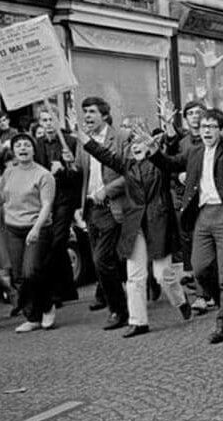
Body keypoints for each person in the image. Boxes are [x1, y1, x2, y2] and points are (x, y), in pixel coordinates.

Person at [148, 100, 223, 344]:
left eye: (212, 126)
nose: (207, 130)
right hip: (202, 216)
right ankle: (222, 302)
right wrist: (152, 151)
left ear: (220, 130)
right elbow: (171, 164)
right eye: (204, 126)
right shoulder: (194, 152)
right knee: (200, 268)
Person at [78, 120, 191, 337]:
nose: (135, 146)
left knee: (162, 275)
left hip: (158, 224)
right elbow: (103, 154)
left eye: (140, 142)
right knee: (135, 276)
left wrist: (157, 146)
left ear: (149, 146)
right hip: (135, 225)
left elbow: (171, 161)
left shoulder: (160, 163)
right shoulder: (127, 165)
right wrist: (83, 136)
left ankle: (180, 299)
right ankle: (138, 321)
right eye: (132, 143)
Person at [71, 97, 129, 330]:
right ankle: (127, 294)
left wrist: (107, 190)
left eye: (92, 111)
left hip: (112, 207)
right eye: (85, 111)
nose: (87, 115)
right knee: (105, 262)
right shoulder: (82, 141)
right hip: (91, 209)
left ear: (104, 115)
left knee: (102, 260)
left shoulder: (120, 138)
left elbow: (130, 172)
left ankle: (118, 310)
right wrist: (70, 165)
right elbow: (80, 173)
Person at [2, 132, 55, 332]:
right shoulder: (9, 173)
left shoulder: (44, 175)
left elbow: (47, 205)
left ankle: (48, 306)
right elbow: (3, 197)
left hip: (37, 228)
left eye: (27, 145)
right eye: (19, 146)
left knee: (31, 271)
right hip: (13, 229)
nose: (23, 148)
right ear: (13, 151)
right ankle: (32, 317)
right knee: (18, 276)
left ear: (34, 149)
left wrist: (36, 228)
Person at [34, 105, 81, 307]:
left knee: (58, 241)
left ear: (58, 120)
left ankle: (53, 292)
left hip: (64, 198)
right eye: (44, 120)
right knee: (52, 244)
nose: (48, 124)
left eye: (51, 119)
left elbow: (79, 175)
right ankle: (67, 289)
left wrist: (64, 169)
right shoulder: (36, 144)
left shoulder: (70, 141)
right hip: (45, 200)